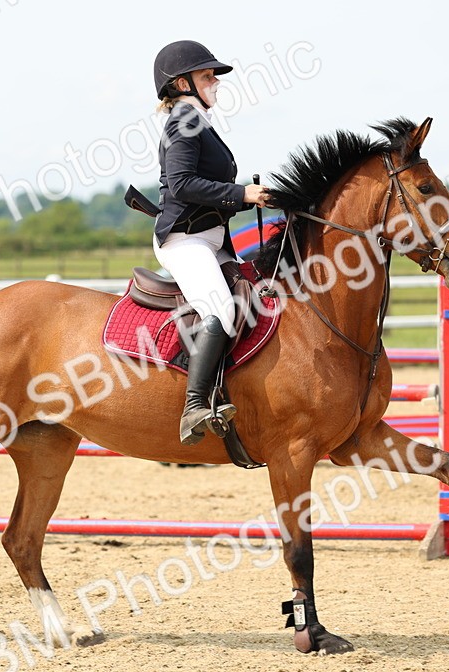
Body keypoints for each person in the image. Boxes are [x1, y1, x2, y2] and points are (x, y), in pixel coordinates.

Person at [151, 40, 270, 445]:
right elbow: (183, 184)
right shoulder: (184, 120)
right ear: (182, 83)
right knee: (219, 307)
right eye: (207, 76)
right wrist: (242, 195)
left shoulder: (197, 119)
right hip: (184, 240)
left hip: (209, 239)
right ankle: (195, 406)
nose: (215, 82)